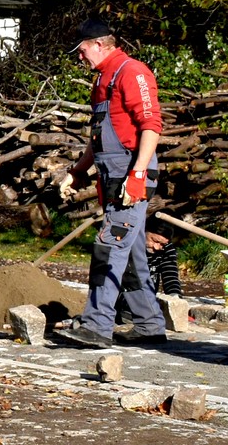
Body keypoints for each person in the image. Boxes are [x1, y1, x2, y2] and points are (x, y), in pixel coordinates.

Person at [53, 19, 166, 347]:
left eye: (82, 50)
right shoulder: (103, 80)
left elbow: (151, 125)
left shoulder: (132, 72)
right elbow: (99, 137)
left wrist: (138, 175)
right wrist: (78, 171)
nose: (80, 57)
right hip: (112, 180)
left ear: (100, 45)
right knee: (130, 254)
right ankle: (149, 324)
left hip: (131, 180)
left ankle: (96, 325)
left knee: (109, 246)